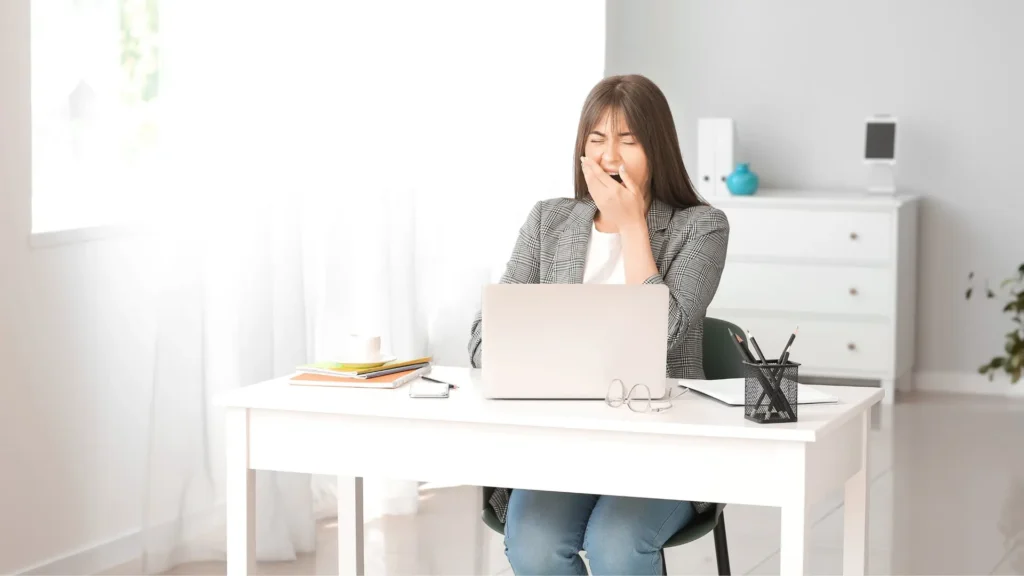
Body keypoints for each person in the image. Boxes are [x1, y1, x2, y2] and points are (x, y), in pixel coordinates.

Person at [466, 74, 729, 575]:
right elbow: (484, 339)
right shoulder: (549, 221)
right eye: (597, 139)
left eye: (629, 141)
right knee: (534, 544)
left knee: (614, 542)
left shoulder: (702, 227)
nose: (611, 156)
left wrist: (630, 224)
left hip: (664, 448)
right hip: (565, 446)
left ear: (658, 147)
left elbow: (664, 335)